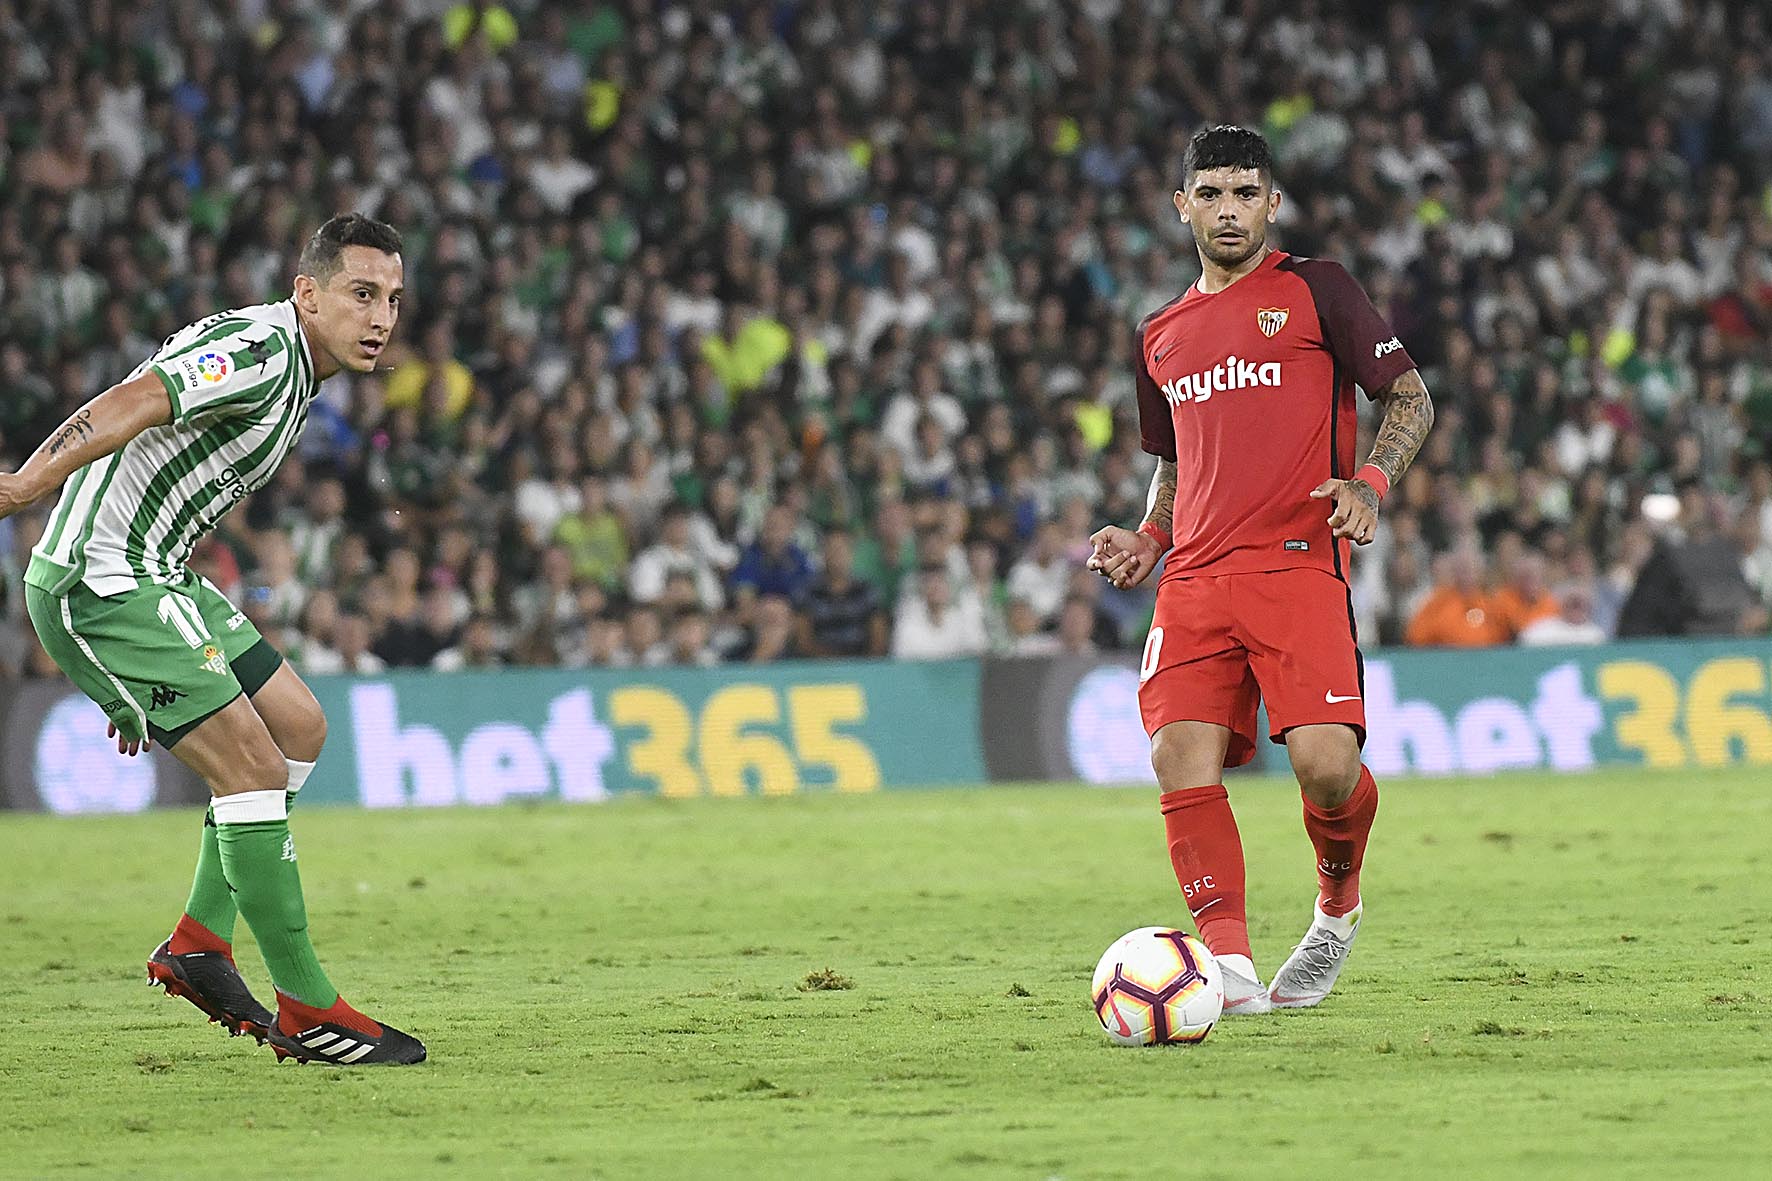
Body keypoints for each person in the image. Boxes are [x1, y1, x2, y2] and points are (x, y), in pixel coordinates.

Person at [0, 214, 425, 1066]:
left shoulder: (300, 370)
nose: (380, 317)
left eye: (392, 300)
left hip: (158, 574)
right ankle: (308, 1007)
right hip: (103, 578)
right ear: (307, 293)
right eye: (361, 293)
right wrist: (24, 484)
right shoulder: (262, 352)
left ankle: (200, 938)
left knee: (299, 726)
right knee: (255, 769)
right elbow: (133, 400)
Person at [1088, 128, 1434, 1015]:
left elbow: (1410, 395)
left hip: (1295, 563)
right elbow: (1175, 458)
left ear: (1272, 203)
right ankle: (1230, 965)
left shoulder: (1318, 290)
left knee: (1325, 766)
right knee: (1177, 755)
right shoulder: (1159, 334)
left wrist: (1370, 482)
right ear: (1183, 207)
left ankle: (1335, 907)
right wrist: (1148, 535)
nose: (1228, 209)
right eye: (1210, 194)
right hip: (1195, 577)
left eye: (1245, 192)